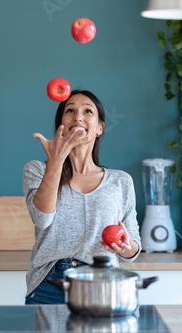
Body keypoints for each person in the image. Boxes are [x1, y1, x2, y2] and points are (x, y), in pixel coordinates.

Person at [22, 90, 141, 304]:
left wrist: (125, 245)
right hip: (49, 283)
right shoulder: (37, 170)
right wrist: (56, 161)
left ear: (99, 128)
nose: (78, 116)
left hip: (103, 283)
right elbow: (42, 219)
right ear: (61, 124)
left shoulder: (121, 181)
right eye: (70, 110)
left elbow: (133, 248)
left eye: (88, 111)